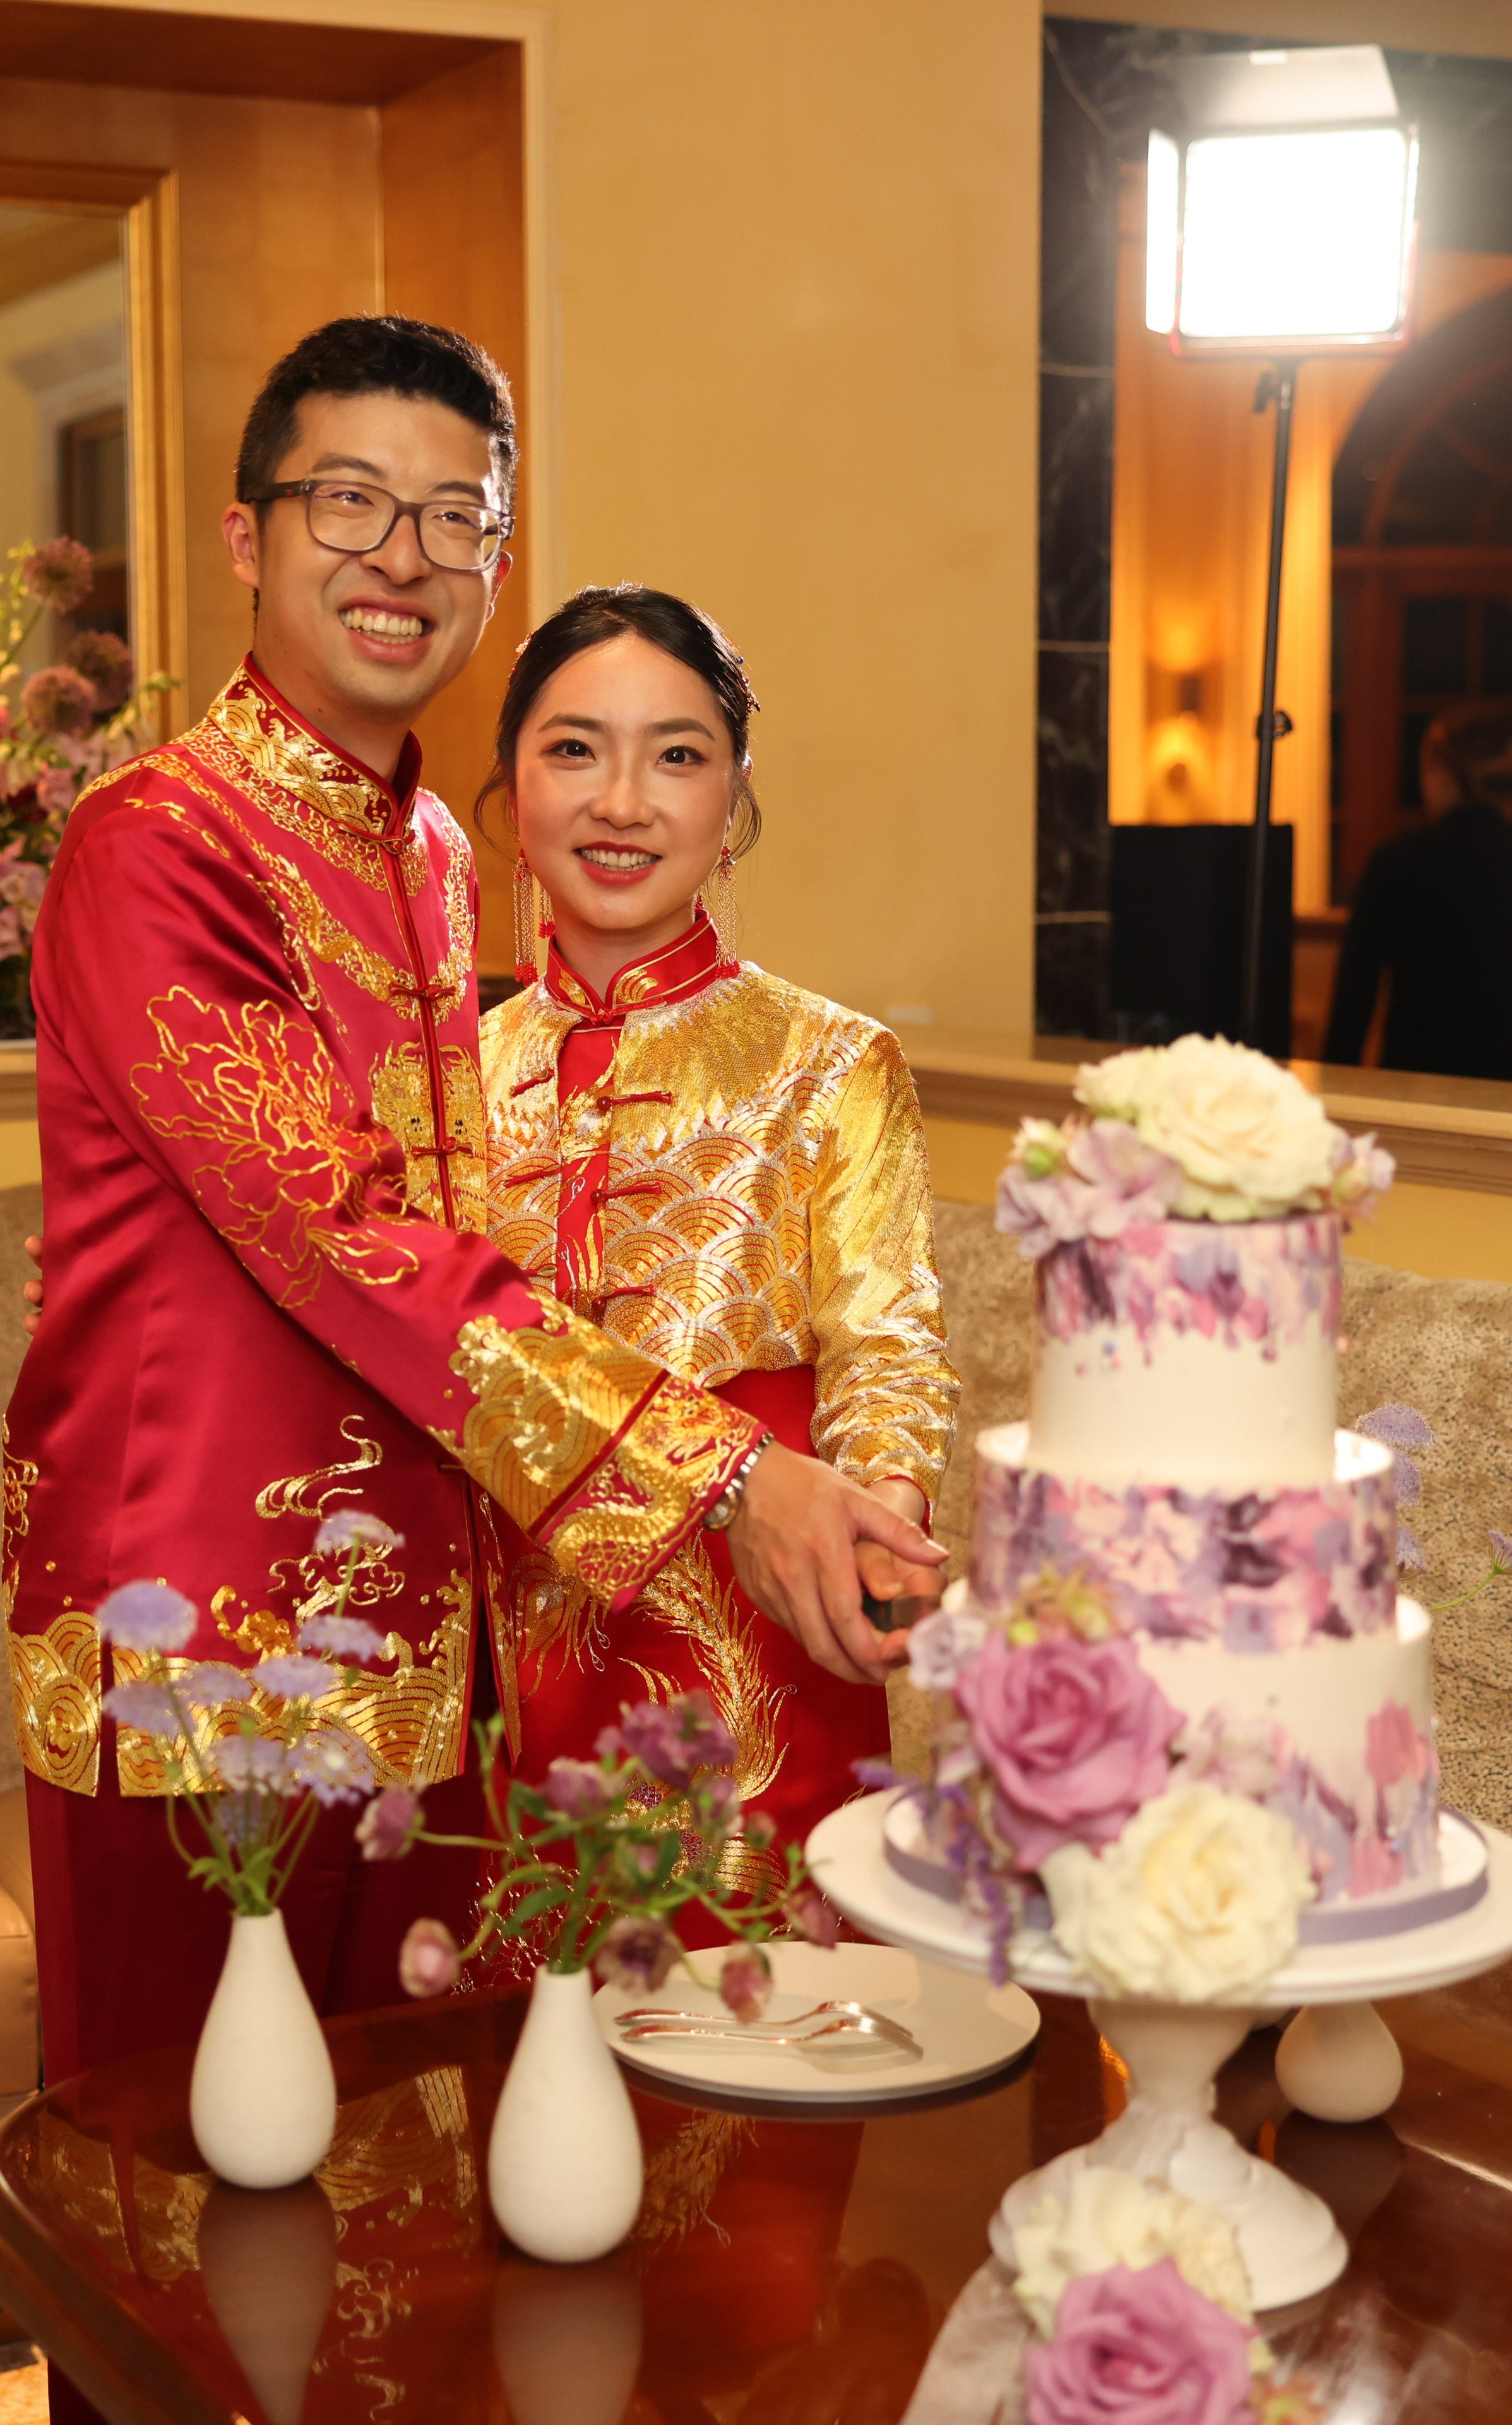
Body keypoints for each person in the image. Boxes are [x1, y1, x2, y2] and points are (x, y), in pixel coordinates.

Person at [4, 319, 944, 2099]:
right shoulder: (161, 846)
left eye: (456, 517)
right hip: (205, 1649)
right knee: (172, 2199)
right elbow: (346, 1231)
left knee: (388, 2213)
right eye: (350, 501)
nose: (404, 555)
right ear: (246, 537)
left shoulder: (432, 855)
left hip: (440, 1666)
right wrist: (727, 1472)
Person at [470, 585, 955, 1889]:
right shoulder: (433, 1076)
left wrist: (880, 1532)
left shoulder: (832, 1062)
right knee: (501, 2055)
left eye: (677, 755)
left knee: (744, 2050)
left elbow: (886, 1343)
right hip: (493, 1650)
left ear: (732, 801)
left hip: (756, 1632)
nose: (622, 802)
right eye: (574, 748)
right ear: (511, 790)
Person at [1323, 707, 1512, 1089]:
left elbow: (1353, 1003)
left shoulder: (1395, 863)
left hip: (1414, 1085)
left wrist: (1333, 1104)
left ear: (1443, 776)